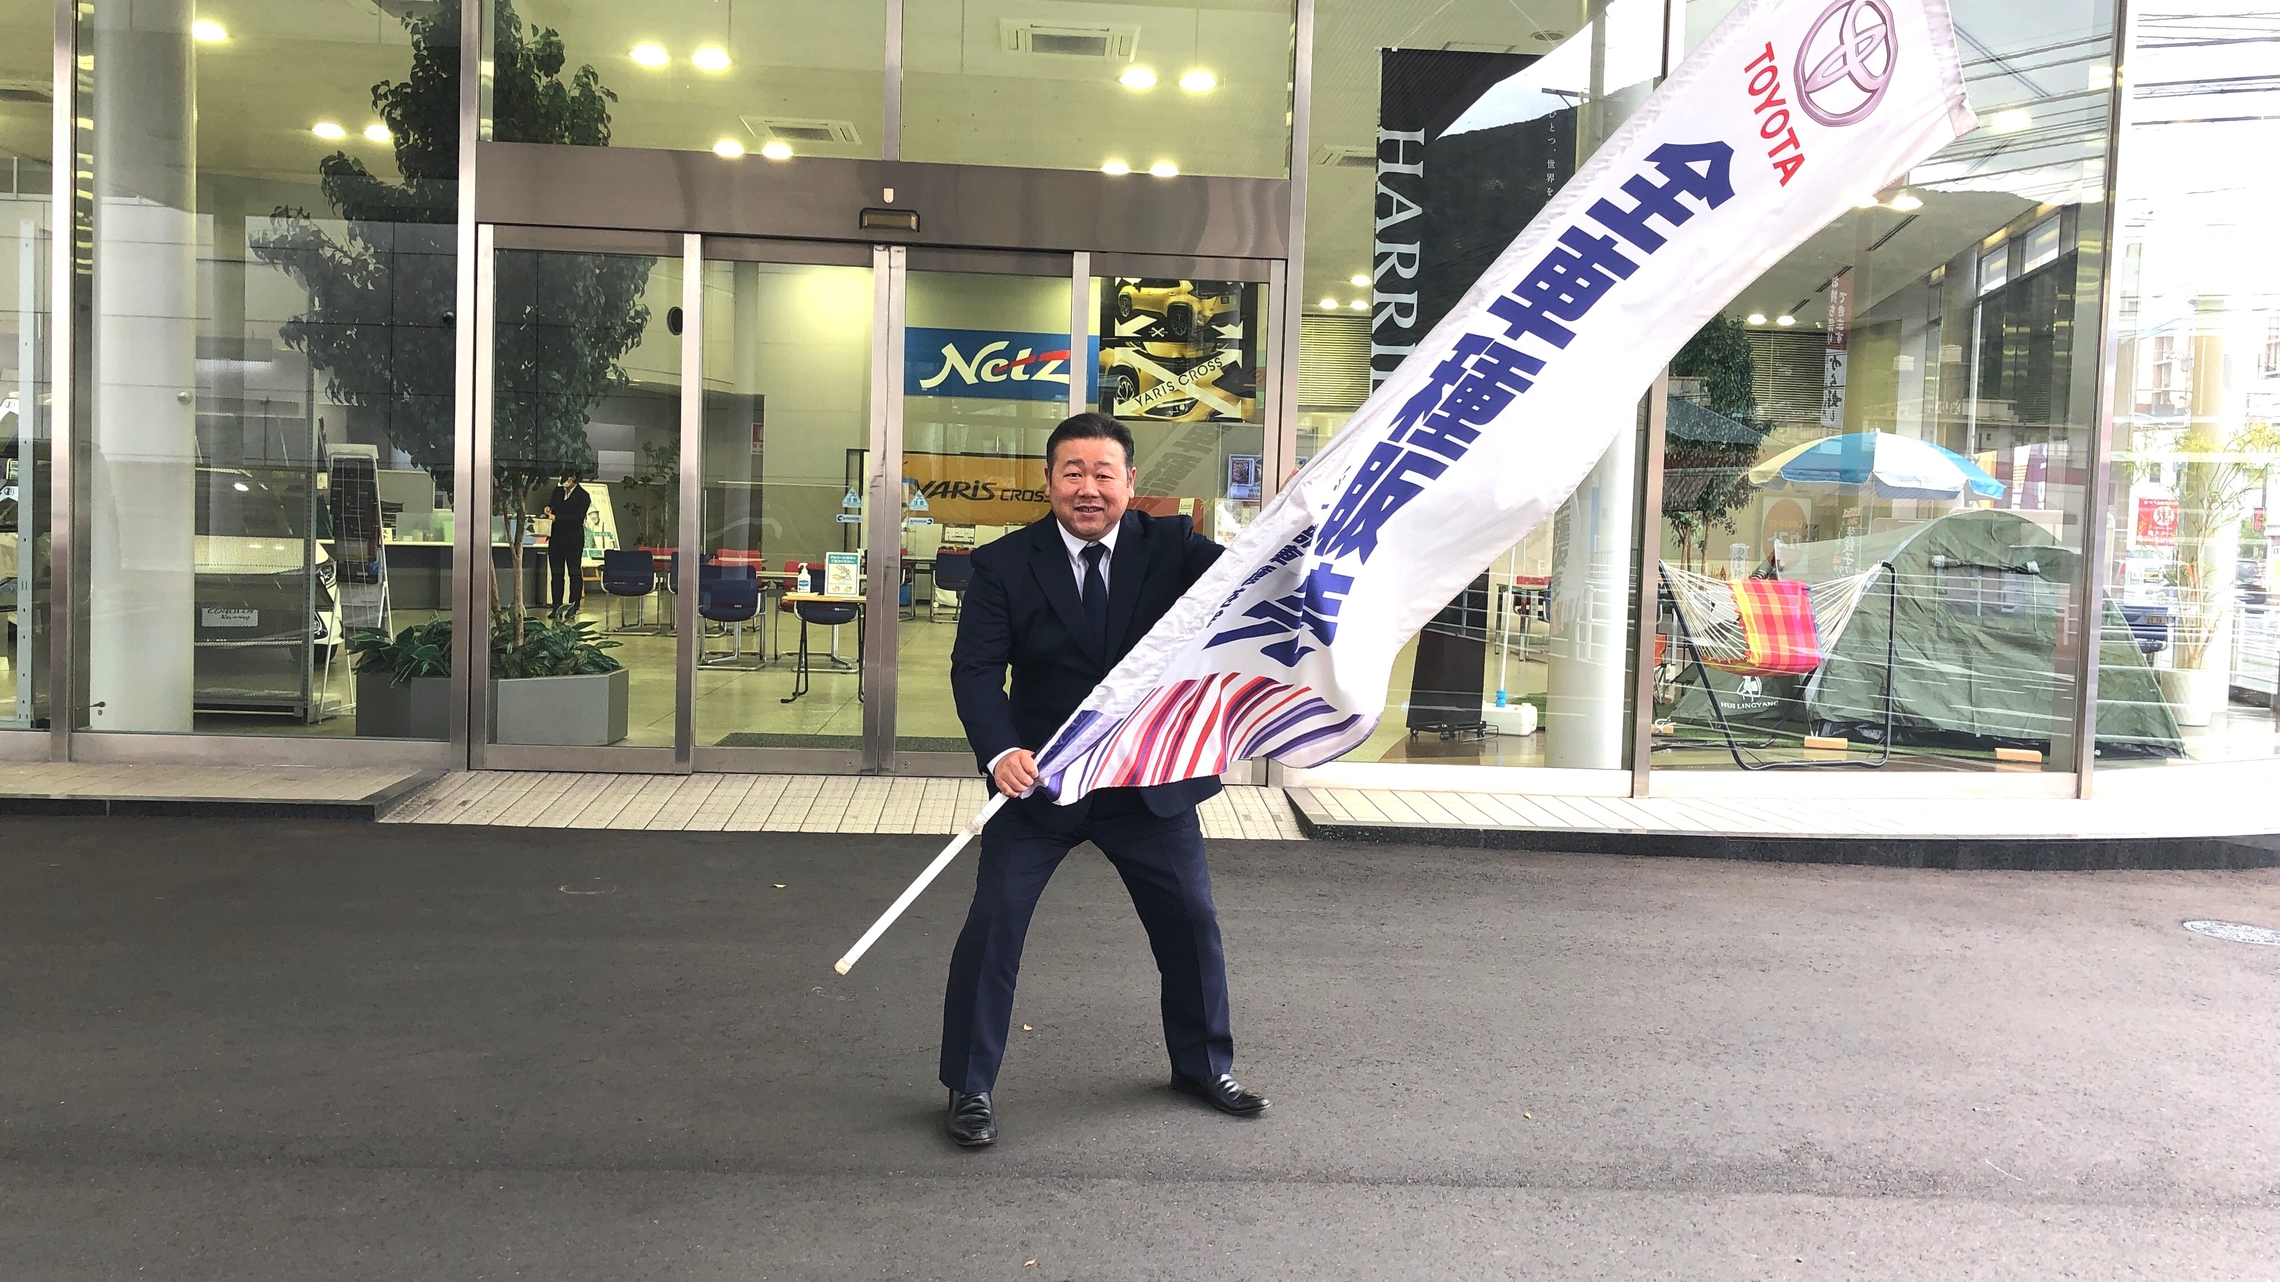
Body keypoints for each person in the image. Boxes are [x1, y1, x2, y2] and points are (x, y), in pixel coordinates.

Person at [938, 411, 1269, 1149]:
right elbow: (976, 672)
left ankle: (1203, 1066)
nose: (1088, 489)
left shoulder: (1173, 547)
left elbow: (1251, 580)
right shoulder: (1004, 564)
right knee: (992, 925)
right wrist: (1001, 754)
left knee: (1190, 923)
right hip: (1040, 785)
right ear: (1049, 480)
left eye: (1104, 474)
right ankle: (970, 1086)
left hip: (1146, 781)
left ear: (1130, 483)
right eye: (1072, 473)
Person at [541, 474, 591, 613]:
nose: (562, 481)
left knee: (574, 573)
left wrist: (557, 518)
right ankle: (556, 607)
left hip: (573, 539)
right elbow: (553, 505)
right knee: (556, 573)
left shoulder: (583, 496)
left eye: (565, 477)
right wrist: (548, 509)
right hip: (556, 537)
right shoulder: (558, 491)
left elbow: (578, 518)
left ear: (573, 478)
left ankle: (573, 606)